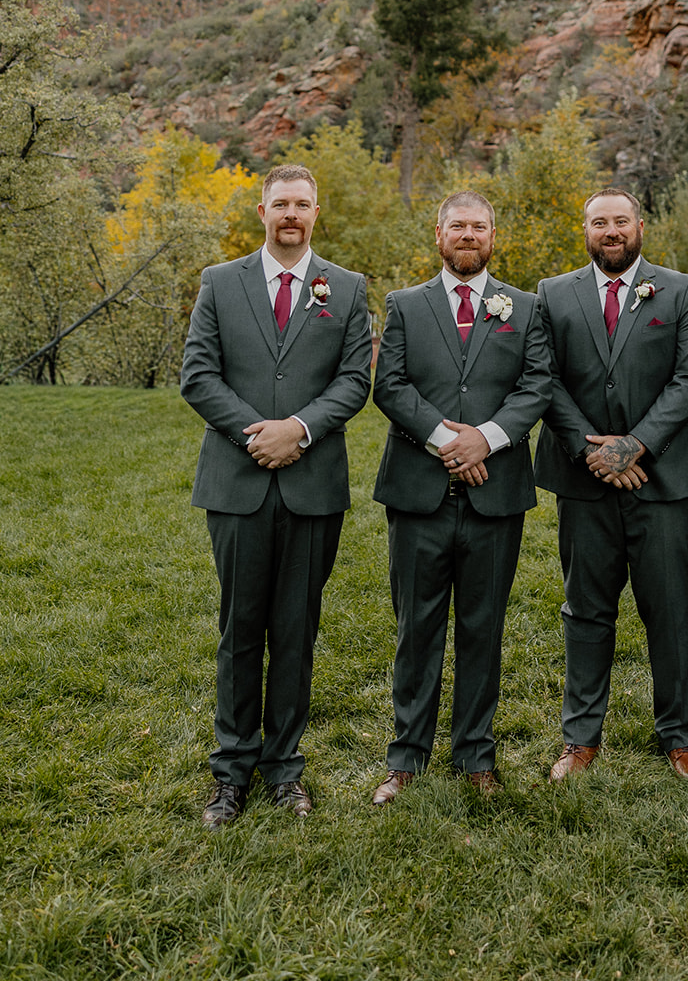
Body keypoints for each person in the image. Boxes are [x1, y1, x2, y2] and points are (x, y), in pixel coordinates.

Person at [181, 163, 372, 827]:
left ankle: (284, 769)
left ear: (317, 212)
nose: (291, 213)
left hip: (312, 485)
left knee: (295, 631)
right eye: (279, 203)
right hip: (236, 486)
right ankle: (229, 773)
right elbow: (197, 374)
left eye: (302, 204)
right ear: (260, 210)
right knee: (240, 630)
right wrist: (255, 435)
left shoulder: (345, 289)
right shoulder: (219, 283)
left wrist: (301, 429)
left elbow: (354, 381)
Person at [370, 190, 551, 802]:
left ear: (493, 235)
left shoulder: (524, 308)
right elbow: (389, 386)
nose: (467, 235)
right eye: (457, 226)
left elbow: (536, 386)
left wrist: (490, 440)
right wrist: (450, 441)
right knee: (415, 627)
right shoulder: (404, 305)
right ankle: (405, 757)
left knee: (483, 625)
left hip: (495, 493)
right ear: (438, 234)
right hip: (418, 490)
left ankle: (476, 754)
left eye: (478, 226)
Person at [535, 188, 688, 780]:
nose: (610, 231)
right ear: (584, 229)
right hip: (583, 482)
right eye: (598, 222)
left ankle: (680, 736)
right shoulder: (553, 294)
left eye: (620, 221)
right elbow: (545, 380)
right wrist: (594, 451)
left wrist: (633, 446)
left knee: (669, 608)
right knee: (585, 610)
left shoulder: (680, 289)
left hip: (663, 482)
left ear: (640, 226)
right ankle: (580, 739)